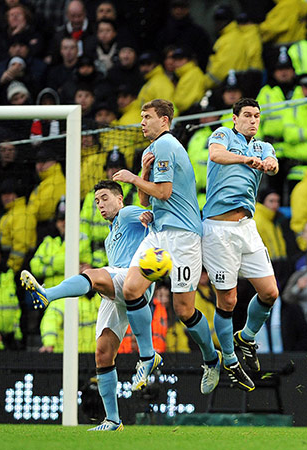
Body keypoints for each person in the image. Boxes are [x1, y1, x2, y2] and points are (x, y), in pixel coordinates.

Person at [20, 180, 150, 430]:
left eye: (104, 198)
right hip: (118, 291)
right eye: (97, 201)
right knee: (102, 353)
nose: (100, 205)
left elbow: (152, 217)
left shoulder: (127, 212)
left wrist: (149, 217)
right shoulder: (111, 236)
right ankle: (113, 419)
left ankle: (48, 293)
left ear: (119, 198)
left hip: (137, 279)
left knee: (94, 274)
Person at [112, 99, 219, 395]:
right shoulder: (151, 151)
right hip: (158, 233)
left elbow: (165, 191)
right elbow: (147, 200)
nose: (142, 122)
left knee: (184, 310)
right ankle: (148, 356)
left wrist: (132, 177)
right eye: (141, 117)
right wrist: (142, 174)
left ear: (165, 121)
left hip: (183, 236)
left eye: (147, 117)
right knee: (131, 289)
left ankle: (211, 359)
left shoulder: (167, 145)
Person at [201, 97, 280, 390]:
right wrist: (244, 159)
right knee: (229, 300)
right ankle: (230, 361)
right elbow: (217, 155)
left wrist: (271, 164)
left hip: (247, 227)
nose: (253, 120)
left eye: (257, 116)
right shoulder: (222, 135)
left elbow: (272, 164)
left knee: (270, 292)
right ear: (235, 118)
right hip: (218, 230)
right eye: (247, 115)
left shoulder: (263, 146)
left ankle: (245, 338)